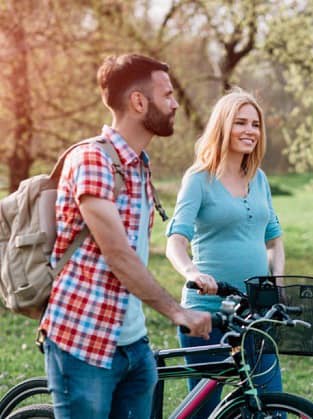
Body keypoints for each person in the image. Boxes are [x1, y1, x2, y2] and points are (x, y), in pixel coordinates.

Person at [39, 53, 212, 419]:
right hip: (82, 343)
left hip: (134, 346)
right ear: (138, 102)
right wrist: (177, 311)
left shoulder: (138, 166)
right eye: (167, 95)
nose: (175, 103)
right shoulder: (91, 160)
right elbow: (117, 254)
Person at [165, 88, 285, 418]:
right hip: (208, 314)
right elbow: (175, 242)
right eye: (240, 123)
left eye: (256, 124)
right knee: (204, 410)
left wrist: (277, 282)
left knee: (272, 407)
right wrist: (191, 273)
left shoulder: (259, 179)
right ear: (223, 126)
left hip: (254, 313)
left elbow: (274, 240)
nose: (250, 131)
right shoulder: (198, 179)